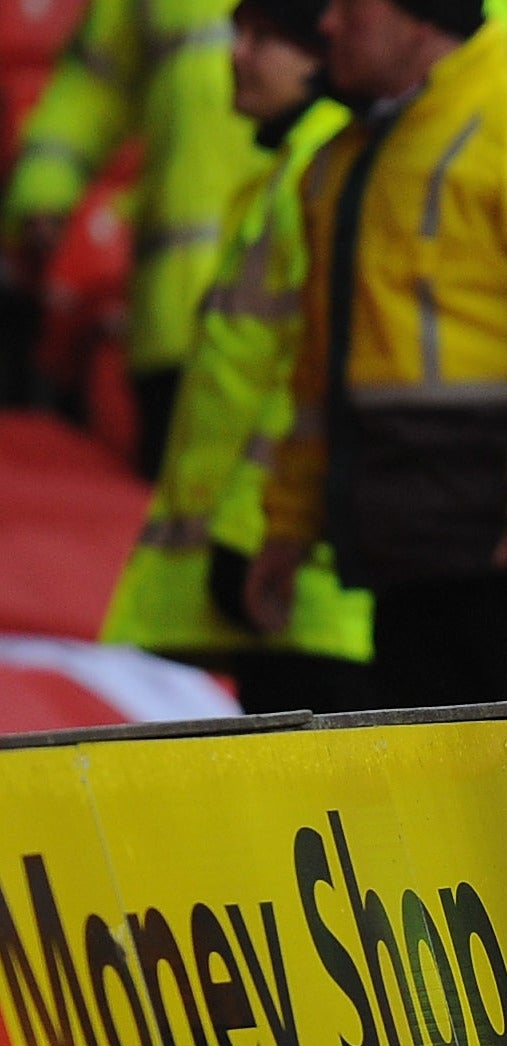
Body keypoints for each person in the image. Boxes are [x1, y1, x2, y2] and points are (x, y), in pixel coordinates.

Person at [245, 0, 507, 708]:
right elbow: (320, 379)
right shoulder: (340, 163)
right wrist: (288, 524)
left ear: (418, 18)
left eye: (350, 6)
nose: (326, 24)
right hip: (410, 563)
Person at [101, 0, 373, 716]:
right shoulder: (294, 168)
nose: (236, 54)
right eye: (238, 33)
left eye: (265, 39)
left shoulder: (319, 171)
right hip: (293, 591)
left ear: (322, 53)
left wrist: (252, 532)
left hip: (300, 588)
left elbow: (308, 376)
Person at [1, 0, 260, 480]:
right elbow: (94, 84)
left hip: (291, 322)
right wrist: (45, 188)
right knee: (172, 531)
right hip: (174, 316)